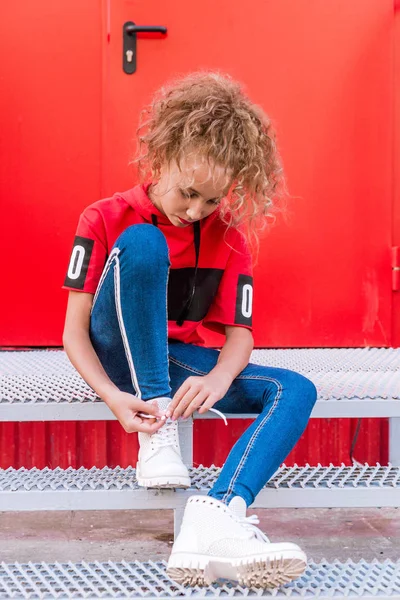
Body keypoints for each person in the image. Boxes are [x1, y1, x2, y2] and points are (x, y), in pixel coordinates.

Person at [62, 70, 318, 589]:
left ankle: (218, 513)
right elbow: (74, 331)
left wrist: (219, 379)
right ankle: (158, 430)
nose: (196, 211)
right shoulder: (104, 216)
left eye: (212, 199)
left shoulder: (227, 237)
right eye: (189, 193)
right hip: (119, 356)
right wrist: (113, 396)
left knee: (297, 388)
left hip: (178, 356)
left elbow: (239, 334)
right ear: (165, 156)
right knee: (145, 244)